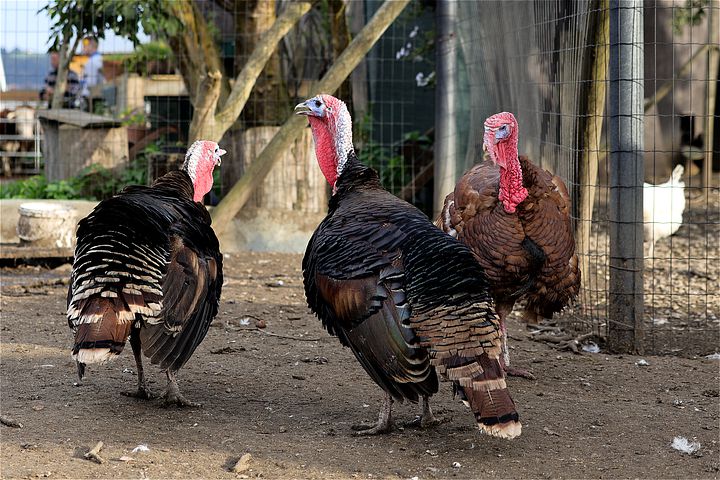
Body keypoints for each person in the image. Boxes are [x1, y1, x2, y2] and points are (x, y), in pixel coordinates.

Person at [80, 37, 104, 106]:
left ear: (91, 46)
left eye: (85, 46)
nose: (83, 48)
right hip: (96, 96)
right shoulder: (99, 59)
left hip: (90, 98)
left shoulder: (92, 61)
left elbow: (91, 83)